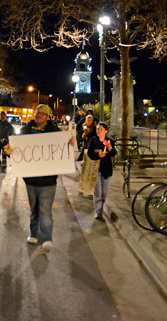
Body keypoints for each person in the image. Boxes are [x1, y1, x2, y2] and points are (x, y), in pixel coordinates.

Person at [17, 104, 74, 253]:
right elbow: (17, 148)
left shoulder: (54, 132)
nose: (39, 116)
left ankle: (46, 239)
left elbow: (64, 149)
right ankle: (34, 234)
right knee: (34, 209)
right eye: (37, 113)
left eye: (42, 114)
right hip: (30, 180)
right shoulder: (26, 130)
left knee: (45, 210)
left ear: (47, 117)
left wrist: (70, 144)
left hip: (48, 181)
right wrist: (10, 149)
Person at [87, 122, 117, 220]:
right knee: (98, 192)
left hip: (107, 171)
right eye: (97, 129)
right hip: (96, 170)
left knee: (104, 193)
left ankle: (102, 206)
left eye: (100, 129)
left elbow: (113, 154)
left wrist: (109, 146)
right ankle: (98, 212)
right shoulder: (93, 141)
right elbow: (90, 154)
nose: (98, 131)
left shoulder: (110, 141)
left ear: (106, 131)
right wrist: (98, 156)